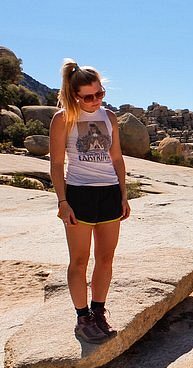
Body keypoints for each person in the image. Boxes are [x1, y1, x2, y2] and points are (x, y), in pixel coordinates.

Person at [49, 59, 130, 344]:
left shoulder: (109, 117)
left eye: (100, 94)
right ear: (75, 96)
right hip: (79, 194)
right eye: (88, 96)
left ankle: (98, 312)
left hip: (108, 193)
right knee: (79, 260)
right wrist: (62, 201)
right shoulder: (62, 119)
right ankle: (82, 318)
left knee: (106, 258)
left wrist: (123, 193)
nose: (95, 100)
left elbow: (117, 157)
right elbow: (57, 164)